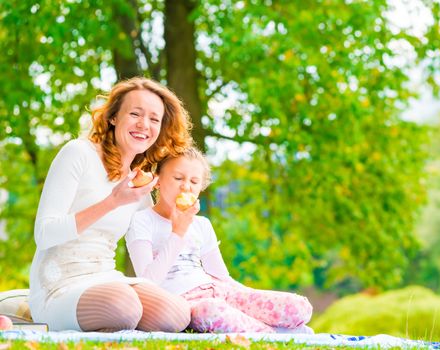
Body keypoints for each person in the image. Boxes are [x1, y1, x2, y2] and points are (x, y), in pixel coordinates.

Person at [29, 77, 193, 332]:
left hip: (106, 279)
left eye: (154, 119)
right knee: (124, 305)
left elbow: (148, 272)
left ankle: (110, 327)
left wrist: (178, 228)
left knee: (177, 313)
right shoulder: (78, 153)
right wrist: (112, 202)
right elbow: (43, 234)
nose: (144, 125)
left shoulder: (139, 184)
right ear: (114, 117)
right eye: (135, 113)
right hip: (59, 285)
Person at [125, 147, 313, 333]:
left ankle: (282, 329)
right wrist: (178, 231)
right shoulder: (142, 221)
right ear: (157, 180)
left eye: (194, 181)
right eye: (178, 178)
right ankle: (276, 335)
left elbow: (222, 276)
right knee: (211, 311)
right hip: (187, 303)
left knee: (299, 307)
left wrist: (249, 296)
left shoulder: (201, 224)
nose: (186, 186)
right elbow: (148, 282)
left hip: (218, 290)